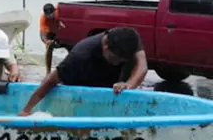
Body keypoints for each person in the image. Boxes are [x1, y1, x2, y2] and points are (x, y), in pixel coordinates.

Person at [19, 27, 147, 116]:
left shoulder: (129, 38)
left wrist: (129, 84)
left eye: (123, 61)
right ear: (105, 45)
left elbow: (142, 66)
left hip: (114, 86)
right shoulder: (80, 55)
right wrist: (26, 110)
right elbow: (50, 81)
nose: (118, 63)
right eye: (115, 59)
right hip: (84, 88)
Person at [39, 3, 65, 74]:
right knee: (48, 48)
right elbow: (42, 33)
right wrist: (46, 41)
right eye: (47, 16)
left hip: (61, 29)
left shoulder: (59, 11)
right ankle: (48, 72)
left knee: (70, 46)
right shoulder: (43, 19)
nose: (50, 17)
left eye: (51, 15)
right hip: (51, 31)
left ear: (54, 11)